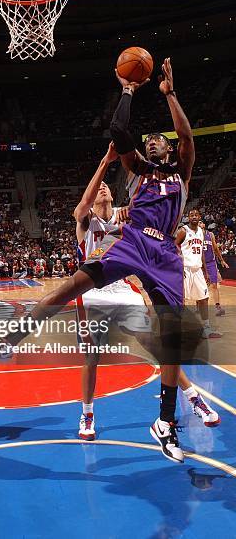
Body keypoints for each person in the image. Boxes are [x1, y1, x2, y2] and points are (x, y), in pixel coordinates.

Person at [0, 58, 196, 464]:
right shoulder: (137, 172)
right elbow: (118, 131)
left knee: (171, 338)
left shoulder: (182, 170)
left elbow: (184, 134)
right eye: (147, 142)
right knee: (70, 286)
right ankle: (10, 340)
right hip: (132, 241)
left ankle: (165, 421)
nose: (151, 143)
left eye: (157, 141)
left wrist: (170, 95)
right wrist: (128, 90)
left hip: (164, 253)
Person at [74, 146, 219, 440]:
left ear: (114, 196)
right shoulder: (85, 221)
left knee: (157, 348)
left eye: (105, 187)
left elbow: (159, 224)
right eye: (97, 188)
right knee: (91, 358)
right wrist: (105, 162)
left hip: (123, 292)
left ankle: (194, 398)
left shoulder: (126, 218)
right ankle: (87, 414)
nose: (101, 189)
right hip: (92, 295)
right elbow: (82, 205)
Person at [176, 209, 221, 338]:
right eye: (191, 215)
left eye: (196, 215)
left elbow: (201, 252)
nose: (194, 217)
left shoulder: (201, 232)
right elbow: (174, 246)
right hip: (185, 269)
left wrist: (205, 271)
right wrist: (180, 259)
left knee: (204, 298)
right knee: (181, 299)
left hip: (198, 270)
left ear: (200, 217)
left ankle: (206, 328)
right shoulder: (183, 231)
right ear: (188, 218)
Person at [199, 220, 229, 316]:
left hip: (210, 263)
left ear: (204, 225)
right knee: (201, 287)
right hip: (199, 264)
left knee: (214, 285)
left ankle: (218, 307)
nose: (200, 223)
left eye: (201, 222)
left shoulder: (210, 234)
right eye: (199, 222)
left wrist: (222, 260)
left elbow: (215, 249)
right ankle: (199, 306)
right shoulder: (194, 235)